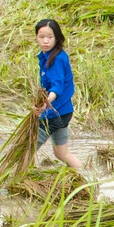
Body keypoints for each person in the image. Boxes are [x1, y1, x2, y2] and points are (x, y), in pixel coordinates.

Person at [34, 19, 82, 172]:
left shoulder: (56, 59)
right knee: (62, 153)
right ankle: (84, 175)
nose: (46, 41)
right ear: (36, 37)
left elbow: (57, 87)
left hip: (55, 113)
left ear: (57, 37)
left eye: (50, 37)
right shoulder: (47, 56)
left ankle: (16, 180)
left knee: (27, 149)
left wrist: (45, 104)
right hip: (64, 111)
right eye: (42, 37)